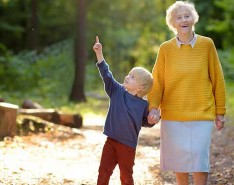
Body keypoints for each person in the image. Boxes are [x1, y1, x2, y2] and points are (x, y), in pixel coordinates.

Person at [147, 1, 226, 185]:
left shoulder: (207, 45)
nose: (183, 20)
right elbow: (157, 81)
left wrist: (220, 111)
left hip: (201, 114)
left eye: (187, 16)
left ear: (193, 19)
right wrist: (153, 107)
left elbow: (217, 78)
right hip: (173, 116)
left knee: (200, 163)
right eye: (179, 17)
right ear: (172, 23)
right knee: (179, 163)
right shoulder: (165, 49)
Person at [93, 36, 156, 185]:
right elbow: (106, 75)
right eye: (129, 74)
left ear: (140, 87)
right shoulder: (116, 91)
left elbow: (145, 122)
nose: (127, 77)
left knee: (126, 177)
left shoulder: (143, 105)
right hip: (111, 141)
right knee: (103, 172)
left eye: (133, 77)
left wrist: (152, 120)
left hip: (128, 146)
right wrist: (99, 54)